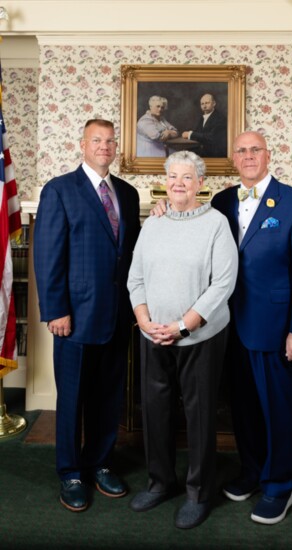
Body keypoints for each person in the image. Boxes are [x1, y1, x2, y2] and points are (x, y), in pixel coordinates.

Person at [151, 131, 292, 526]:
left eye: (255, 150)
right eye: (241, 150)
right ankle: (252, 472)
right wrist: (165, 208)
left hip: (276, 327)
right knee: (243, 407)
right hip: (226, 326)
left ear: (268, 154)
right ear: (233, 157)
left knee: (278, 409)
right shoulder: (221, 201)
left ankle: (280, 485)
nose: (248, 156)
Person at [33, 119, 140, 512]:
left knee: (109, 397)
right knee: (74, 398)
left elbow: (132, 255)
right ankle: (71, 472)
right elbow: (48, 255)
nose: (105, 146)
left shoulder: (127, 194)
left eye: (111, 141)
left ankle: (100, 462)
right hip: (74, 318)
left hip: (117, 316)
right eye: (97, 140)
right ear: (83, 144)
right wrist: (56, 309)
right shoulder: (60, 189)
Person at [127, 150, 238, 529]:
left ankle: (198, 492)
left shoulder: (217, 224)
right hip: (152, 335)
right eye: (172, 176)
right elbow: (135, 279)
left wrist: (181, 326)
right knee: (154, 412)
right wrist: (145, 322)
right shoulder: (152, 224)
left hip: (201, 337)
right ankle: (160, 482)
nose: (178, 183)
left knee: (200, 416)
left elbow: (222, 285)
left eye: (187, 177)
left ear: (200, 184)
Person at [182, 93, 227, 157]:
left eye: (207, 103)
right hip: (205, 149)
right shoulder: (203, 117)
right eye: (202, 104)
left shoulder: (220, 118)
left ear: (214, 103)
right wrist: (189, 132)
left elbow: (211, 137)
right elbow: (198, 132)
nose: (204, 106)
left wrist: (190, 134)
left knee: (185, 155)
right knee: (183, 152)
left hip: (215, 153)